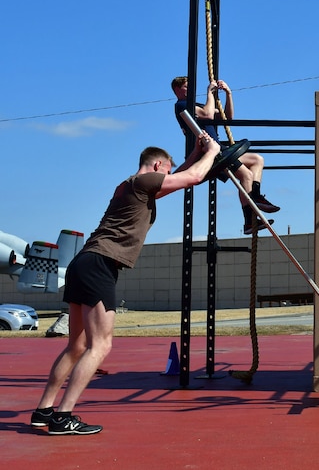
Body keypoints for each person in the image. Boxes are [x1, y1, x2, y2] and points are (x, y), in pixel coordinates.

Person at [30, 136, 221, 435]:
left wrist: (196, 152)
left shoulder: (131, 185)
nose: (168, 178)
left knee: (77, 346)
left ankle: (44, 410)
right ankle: (63, 416)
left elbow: (182, 176)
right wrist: (213, 152)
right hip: (99, 264)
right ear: (158, 166)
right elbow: (193, 177)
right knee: (100, 345)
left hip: (85, 262)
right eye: (167, 171)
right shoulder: (143, 183)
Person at [171, 76, 279, 234]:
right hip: (209, 152)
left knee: (257, 159)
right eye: (187, 87)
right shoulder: (182, 106)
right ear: (177, 89)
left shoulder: (197, 105)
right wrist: (210, 92)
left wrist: (229, 94)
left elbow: (227, 117)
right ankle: (249, 221)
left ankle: (255, 198)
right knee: (246, 175)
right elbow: (208, 114)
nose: (190, 90)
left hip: (218, 148)